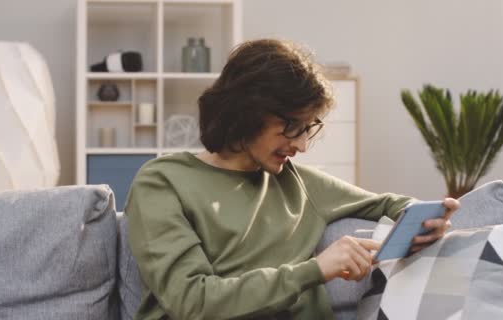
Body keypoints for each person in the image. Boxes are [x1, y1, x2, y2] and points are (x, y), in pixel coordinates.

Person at [125, 39, 459, 320]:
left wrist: (423, 224)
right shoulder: (162, 183)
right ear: (249, 110)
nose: (301, 145)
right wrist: (315, 270)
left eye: (309, 129)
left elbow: (390, 204)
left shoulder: (300, 184)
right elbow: (192, 300)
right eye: (293, 126)